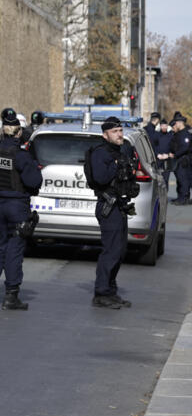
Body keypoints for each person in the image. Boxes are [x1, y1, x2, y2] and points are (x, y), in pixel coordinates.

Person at [0, 108, 42, 310]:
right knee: (14, 251)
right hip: (17, 206)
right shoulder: (21, 156)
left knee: (0, 248)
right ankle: (11, 296)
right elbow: (34, 181)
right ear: (19, 133)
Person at [85, 116, 138, 309]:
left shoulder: (121, 151)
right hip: (108, 206)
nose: (120, 134)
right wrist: (116, 165)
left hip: (120, 205)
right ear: (105, 134)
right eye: (115, 132)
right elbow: (100, 178)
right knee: (111, 251)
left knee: (120, 250)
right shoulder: (101, 153)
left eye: (121, 131)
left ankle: (111, 290)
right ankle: (101, 293)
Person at [170, 113, 191, 205]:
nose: (175, 125)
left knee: (184, 180)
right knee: (179, 180)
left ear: (180, 123)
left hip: (184, 161)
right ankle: (180, 197)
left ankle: (184, 199)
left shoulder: (185, 134)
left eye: (176, 123)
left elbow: (185, 147)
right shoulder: (179, 133)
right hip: (179, 160)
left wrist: (175, 155)